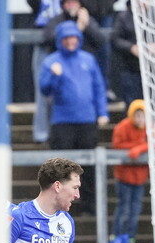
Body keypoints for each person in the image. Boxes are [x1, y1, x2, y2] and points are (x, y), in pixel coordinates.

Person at [39, 20, 109, 214]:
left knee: (87, 165)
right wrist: (55, 76)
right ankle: (61, 204)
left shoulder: (88, 59)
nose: (71, 42)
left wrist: (102, 112)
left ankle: (90, 204)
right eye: (67, 38)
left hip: (87, 120)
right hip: (62, 122)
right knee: (61, 168)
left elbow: (98, 88)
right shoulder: (51, 61)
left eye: (74, 38)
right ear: (61, 40)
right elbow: (44, 89)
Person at [29, 0, 70, 143]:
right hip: (44, 44)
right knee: (42, 90)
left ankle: (59, 130)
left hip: (62, 47)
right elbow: (30, 1)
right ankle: (41, 133)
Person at [111, 100, 148, 243]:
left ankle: (130, 241)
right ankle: (116, 238)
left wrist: (140, 149)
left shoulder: (149, 128)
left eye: (143, 116)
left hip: (140, 178)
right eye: (137, 116)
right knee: (124, 210)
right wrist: (138, 147)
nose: (140, 120)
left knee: (135, 211)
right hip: (124, 177)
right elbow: (117, 145)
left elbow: (154, 142)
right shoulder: (122, 127)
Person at [111, 0, 143, 106]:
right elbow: (115, 39)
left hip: (150, 71)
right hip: (129, 68)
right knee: (132, 103)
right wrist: (131, 48)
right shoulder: (123, 17)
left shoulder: (153, 16)